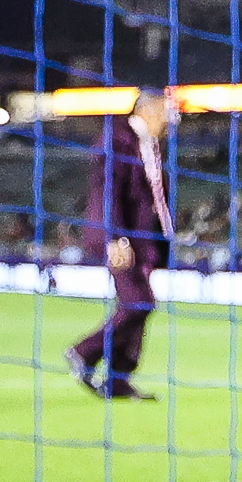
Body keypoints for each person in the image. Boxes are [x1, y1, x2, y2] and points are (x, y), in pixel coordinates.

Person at [69, 87, 175, 400]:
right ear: (149, 109)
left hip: (144, 241)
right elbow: (107, 193)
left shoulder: (150, 145)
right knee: (138, 304)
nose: (171, 118)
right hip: (122, 239)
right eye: (166, 110)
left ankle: (118, 380)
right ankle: (83, 353)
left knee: (141, 306)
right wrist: (114, 238)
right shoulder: (117, 140)